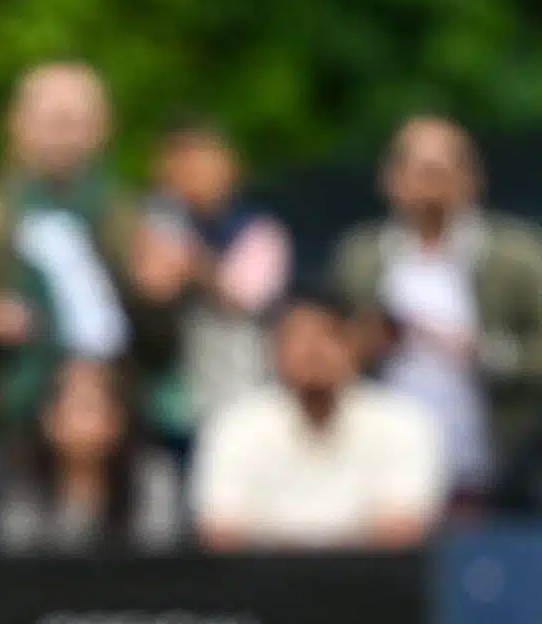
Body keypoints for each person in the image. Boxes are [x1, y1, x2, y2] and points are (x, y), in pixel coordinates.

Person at [0, 62, 174, 439]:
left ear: (104, 128)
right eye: (53, 120)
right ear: (14, 122)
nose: (65, 136)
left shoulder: (131, 215)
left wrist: (157, 298)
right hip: (5, 415)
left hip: (117, 418)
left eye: (77, 122)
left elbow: (165, 343)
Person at [326, 116, 542, 501]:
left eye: (443, 169)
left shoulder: (518, 255)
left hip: (496, 467)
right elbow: (326, 345)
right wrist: (360, 346)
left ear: (472, 178)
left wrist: (491, 353)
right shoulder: (360, 257)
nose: (430, 182)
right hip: (382, 473)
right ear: (390, 178)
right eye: (419, 169)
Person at [193, 291, 444, 550]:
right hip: (260, 576)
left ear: (354, 345)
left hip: (371, 575)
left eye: (327, 335)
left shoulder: (402, 422)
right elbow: (220, 531)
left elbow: (402, 529)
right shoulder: (236, 426)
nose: (312, 351)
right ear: (273, 349)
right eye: (297, 338)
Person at [131, 116, 291, 437]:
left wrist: (192, 263)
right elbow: (152, 287)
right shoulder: (155, 219)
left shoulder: (257, 229)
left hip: (237, 381)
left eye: (201, 162)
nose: (191, 174)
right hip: (167, 387)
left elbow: (244, 297)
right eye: (180, 162)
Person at [0, 358, 182, 554]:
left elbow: (159, 554)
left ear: (118, 417)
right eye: (72, 407)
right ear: (47, 419)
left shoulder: (152, 475)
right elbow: (15, 554)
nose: (82, 423)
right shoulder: (22, 476)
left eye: (91, 407)